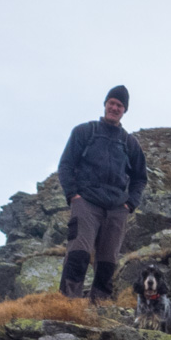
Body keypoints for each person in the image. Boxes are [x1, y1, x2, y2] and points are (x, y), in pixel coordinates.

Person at [57, 85, 148, 302]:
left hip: (117, 209)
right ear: (105, 104)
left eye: (120, 105)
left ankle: (100, 306)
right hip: (86, 202)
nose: (115, 108)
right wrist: (73, 196)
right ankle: (69, 303)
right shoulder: (84, 132)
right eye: (112, 103)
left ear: (124, 110)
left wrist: (129, 204)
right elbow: (66, 165)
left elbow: (140, 178)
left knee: (108, 261)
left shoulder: (130, 143)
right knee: (78, 253)